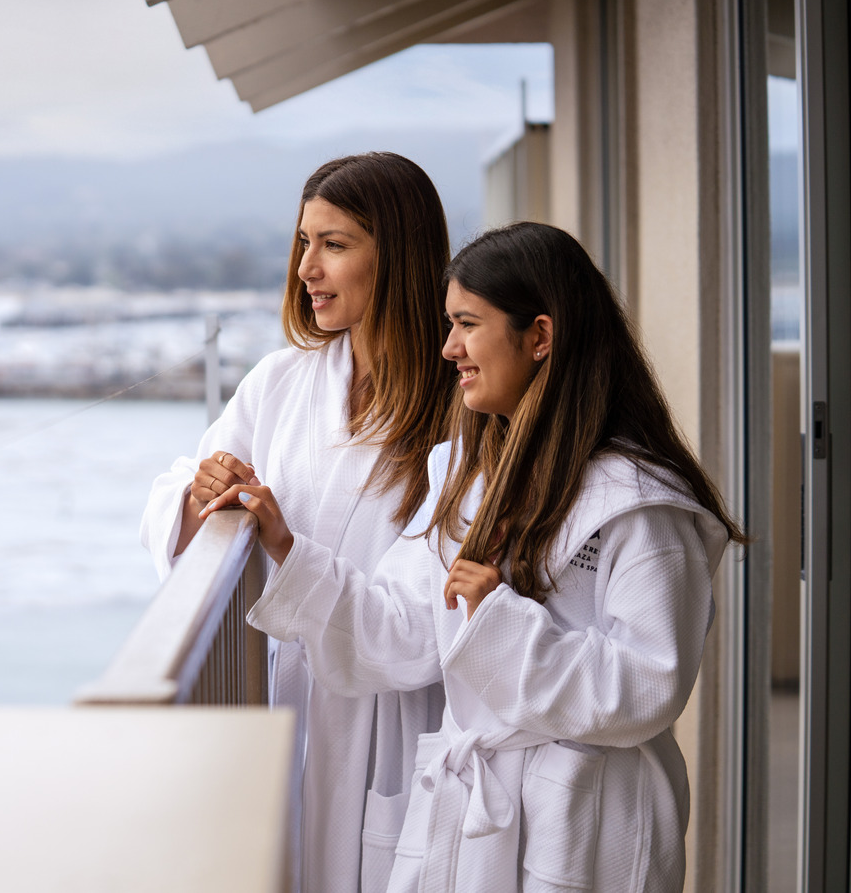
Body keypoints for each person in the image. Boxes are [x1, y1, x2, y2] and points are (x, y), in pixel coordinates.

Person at [208, 220, 747, 891]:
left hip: (585, 826)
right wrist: (284, 547)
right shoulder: (471, 477)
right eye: (449, 324)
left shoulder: (638, 504)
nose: (449, 348)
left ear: (540, 336)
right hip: (472, 817)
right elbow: (402, 629)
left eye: (467, 324)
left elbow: (649, 686)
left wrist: (500, 621)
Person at [140, 153, 453, 892]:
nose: (306, 268)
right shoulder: (281, 382)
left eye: (334, 244)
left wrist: (285, 543)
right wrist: (201, 493)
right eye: (304, 242)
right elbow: (175, 496)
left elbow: (427, 616)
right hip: (289, 701)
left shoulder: (457, 408)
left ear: (399, 256)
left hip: (394, 718)